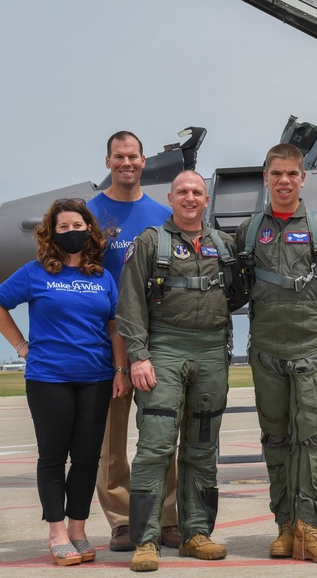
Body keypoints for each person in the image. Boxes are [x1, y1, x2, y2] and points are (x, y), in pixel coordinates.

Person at [0, 198, 130, 566]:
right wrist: (21, 346)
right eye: (63, 227)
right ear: (51, 234)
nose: (71, 232)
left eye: (77, 226)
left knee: (86, 459)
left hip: (96, 378)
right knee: (52, 458)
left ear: (89, 231)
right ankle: (57, 532)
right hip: (49, 378)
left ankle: (78, 529)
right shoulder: (35, 272)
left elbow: (114, 328)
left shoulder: (102, 277)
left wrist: (119, 370)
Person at [234, 143, 317, 564]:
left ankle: (310, 527)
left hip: (312, 351)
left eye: (292, 173)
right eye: (276, 174)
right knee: (276, 439)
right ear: (266, 178)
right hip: (266, 353)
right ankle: (285, 527)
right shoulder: (249, 232)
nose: (284, 180)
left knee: (310, 440)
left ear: (303, 178)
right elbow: (230, 293)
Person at [117, 170, 244, 572]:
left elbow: (240, 293)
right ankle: (147, 539)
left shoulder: (225, 246)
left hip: (211, 353)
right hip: (164, 350)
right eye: (183, 192)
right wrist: (138, 356)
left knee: (203, 448)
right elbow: (130, 304)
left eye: (197, 192)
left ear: (206, 200)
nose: (190, 198)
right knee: (155, 446)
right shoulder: (150, 243)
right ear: (170, 198)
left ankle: (195, 533)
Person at [86, 131, 179, 552]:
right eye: (118, 156)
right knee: (113, 439)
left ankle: (169, 516)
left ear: (144, 161)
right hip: (108, 343)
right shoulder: (90, 215)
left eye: (133, 156)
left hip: (158, 341)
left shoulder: (162, 215)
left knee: (162, 432)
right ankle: (122, 520)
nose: (127, 162)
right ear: (108, 161)